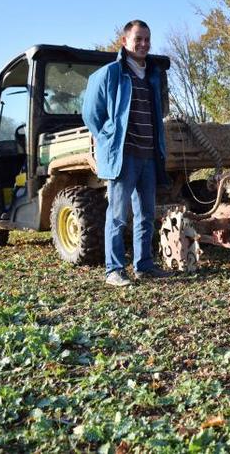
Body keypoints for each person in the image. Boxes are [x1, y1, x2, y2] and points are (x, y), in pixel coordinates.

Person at [82, 19, 172, 286]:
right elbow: (91, 115)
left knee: (145, 215)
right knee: (118, 215)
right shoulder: (109, 74)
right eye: (138, 39)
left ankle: (143, 266)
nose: (143, 44)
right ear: (125, 42)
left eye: (147, 39)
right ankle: (114, 270)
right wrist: (108, 137)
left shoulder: (153, 75)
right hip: (124, 157)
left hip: (148, 156)